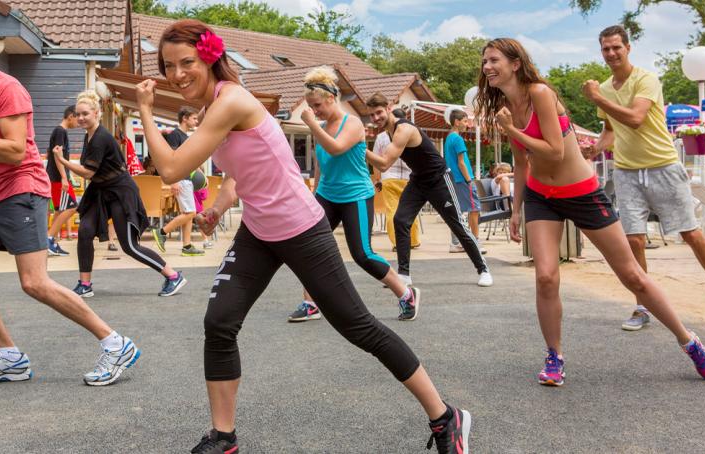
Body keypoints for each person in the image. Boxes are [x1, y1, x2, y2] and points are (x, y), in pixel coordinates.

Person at [136, 20, 470, 454]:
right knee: (219, 322)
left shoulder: (232, 100)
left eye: (187, 63)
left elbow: (172, 169)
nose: (176, 74)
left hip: (301, 227)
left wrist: (145, 108)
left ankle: (446, 417)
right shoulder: (214, 107)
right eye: (168, 66)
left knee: (359, 327)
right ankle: (223, 437)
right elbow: (244, 169)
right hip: (258, 230)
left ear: (210, 58)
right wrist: (217, 208)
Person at [477, 37, 705, 387]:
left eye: (494, 60)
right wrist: (516, 209)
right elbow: (521, 162)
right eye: (484, 61)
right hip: (543, 197)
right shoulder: (503, 105)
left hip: (582, 194)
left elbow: (556, 151)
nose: (487, 67)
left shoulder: (541, 93)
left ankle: (689, 341)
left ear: (515, 63)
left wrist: (512, 129)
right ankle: (554, 355)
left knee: (632, 275)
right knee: (545, 276)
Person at [0, 23, 139, 386]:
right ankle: (10, 356)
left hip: (22, 189)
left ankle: (115, 343)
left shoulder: (7, 89)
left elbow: (16, 152)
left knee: (34, 282)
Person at [582, 25, 705, 329]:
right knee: (634, 240)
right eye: (605, 49)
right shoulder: (605, 87)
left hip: (662, 166)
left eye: (616, 47)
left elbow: (636, 119)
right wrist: (595, 149)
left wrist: (597, 98)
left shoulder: (646, 79)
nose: (611, 53)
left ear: (628, 48)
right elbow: (611, 129)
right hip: (626, 171)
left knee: (690, 234)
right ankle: (643, 306)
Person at [288, 66, 422, 323]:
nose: (314, 110)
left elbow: (336, 148)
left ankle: (406, 294)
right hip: (327, 194)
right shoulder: (323, 125)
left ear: (331, 98)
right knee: (308, 247)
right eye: (311, 106)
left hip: (356, 196)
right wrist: (314, 193)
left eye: (317, 105)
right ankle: (311, 302)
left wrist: (312, 124)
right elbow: (321, 161)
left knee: (362, 253)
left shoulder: (353, 124)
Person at [54, 91, 187, 298]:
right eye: (78, 114)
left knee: (129, 246)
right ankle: (85, 284)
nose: (80, 118)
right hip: (100, 192)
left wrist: (62, 161)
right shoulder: (89, 136)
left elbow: (88, 172)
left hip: (120, 192)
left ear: (97, 113)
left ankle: (172, 276)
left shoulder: (101, 138)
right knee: (85, 231)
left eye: (85, 114)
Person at [365, 93, 493, 288]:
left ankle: (483, 269)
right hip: (418, 181)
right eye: (372, 115)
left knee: (457, 225)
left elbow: (383, 164)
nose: (375, 118)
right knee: (400, 220)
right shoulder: (389, 132)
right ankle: (404, 275)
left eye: (379, 113)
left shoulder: (403, 129)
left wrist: (358, 146)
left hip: (439, 180)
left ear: (389, 108)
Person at [151, 106, 207, 256]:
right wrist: (174, 181)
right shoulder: (175, 135)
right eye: (194, 118)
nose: (197, 121)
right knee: (190, 213)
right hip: (181, 179)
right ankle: (161, 232)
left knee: (187, 212)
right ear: (185, 118)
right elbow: (171, 159)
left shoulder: (185, 137)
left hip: (187, 179)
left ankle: (187, 246)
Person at [373, 108, 422, 251]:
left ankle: (397, 243)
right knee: (411, 210)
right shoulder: (411, 132)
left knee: (392, 210)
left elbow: (376, 159)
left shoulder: (381, 137)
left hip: (388, 178)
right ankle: (413, 241)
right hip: (409, 178)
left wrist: (377, 179)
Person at [444, 109, 483, 254]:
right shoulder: (458, 139)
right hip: (462, 179)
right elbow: (461, 163)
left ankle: (456, 243)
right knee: (474, 209)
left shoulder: (449, 138)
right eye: (465, 121)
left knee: (457, 211)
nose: (468, 125)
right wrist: (469, 180)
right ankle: (475, 241)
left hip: (453, 179)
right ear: (457, 122)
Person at [44, 105, 78, 256]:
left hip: (56, 177)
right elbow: (58, 155)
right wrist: (65, 177)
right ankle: (48, 239)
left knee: (59, 210)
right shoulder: (60, 131)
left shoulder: (60, 132)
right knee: (71, 207)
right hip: (58, 178)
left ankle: (53, 243)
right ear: (71, 116)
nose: (79, 121)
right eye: (78, 117)